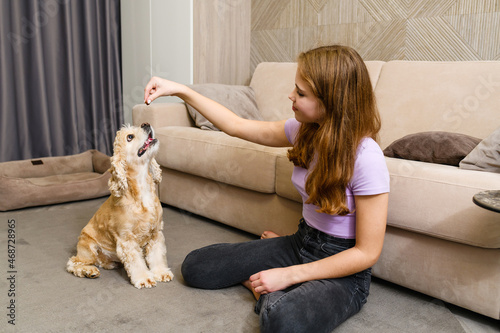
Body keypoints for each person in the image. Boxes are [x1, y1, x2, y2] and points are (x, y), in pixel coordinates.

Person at [143, 45, 390, 333]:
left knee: (282, 321)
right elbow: (236, 126)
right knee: (196, 267)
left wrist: (288, 274)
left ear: (330, 101)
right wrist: (181, 90)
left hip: (344, 273)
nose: (291, 96)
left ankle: (271, 285)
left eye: (301, 93)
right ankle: (277, 282)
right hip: (300, 244)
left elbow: (367, 253)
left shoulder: (367, 158)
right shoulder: (303, 130)